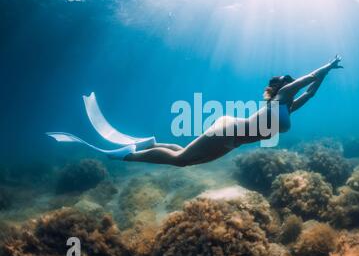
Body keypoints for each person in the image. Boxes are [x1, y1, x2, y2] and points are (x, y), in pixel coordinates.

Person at [47, 55, 343, 167]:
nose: (295, 86)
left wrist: (327, 74)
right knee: (179, 160)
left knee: (185, 159)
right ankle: (129, 154)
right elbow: (306, 80)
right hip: (228, 131)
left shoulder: (290, 107)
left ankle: (150, 145)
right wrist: (326, 66)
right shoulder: (281, 97)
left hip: (233, 139)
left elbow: (312, 91)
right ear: (282, 87)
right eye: (290, 84)